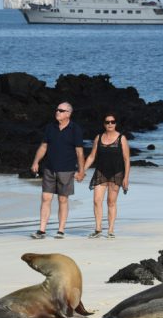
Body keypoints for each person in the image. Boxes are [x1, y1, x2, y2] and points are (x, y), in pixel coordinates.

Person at [30, 102, 85, 239]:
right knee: (45, 197)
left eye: (61, 110)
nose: (57, 112)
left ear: (68, 114)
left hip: (67, 170)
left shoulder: (75, 129)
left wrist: (81, 171)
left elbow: (79, 152)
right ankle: (42, 230)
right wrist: (36, 161)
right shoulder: (50, 127)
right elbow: (43, 147)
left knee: (62, 200)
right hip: (49, 168)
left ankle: (60, 230)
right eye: (57, 110)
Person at [83, 112, 130, 239]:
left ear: (115, 123)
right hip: (101, 172)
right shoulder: (98, 138)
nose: (110, 124)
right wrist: (82, 170)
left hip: (117, 173)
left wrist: (126, 178)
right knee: (97, 201)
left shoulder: (122, 138)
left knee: (111, 202)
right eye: (107, 122)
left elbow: (126, 159)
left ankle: (110, 230)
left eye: (112, 122)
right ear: (104, 124)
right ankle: (98, 229)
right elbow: (92, 156)